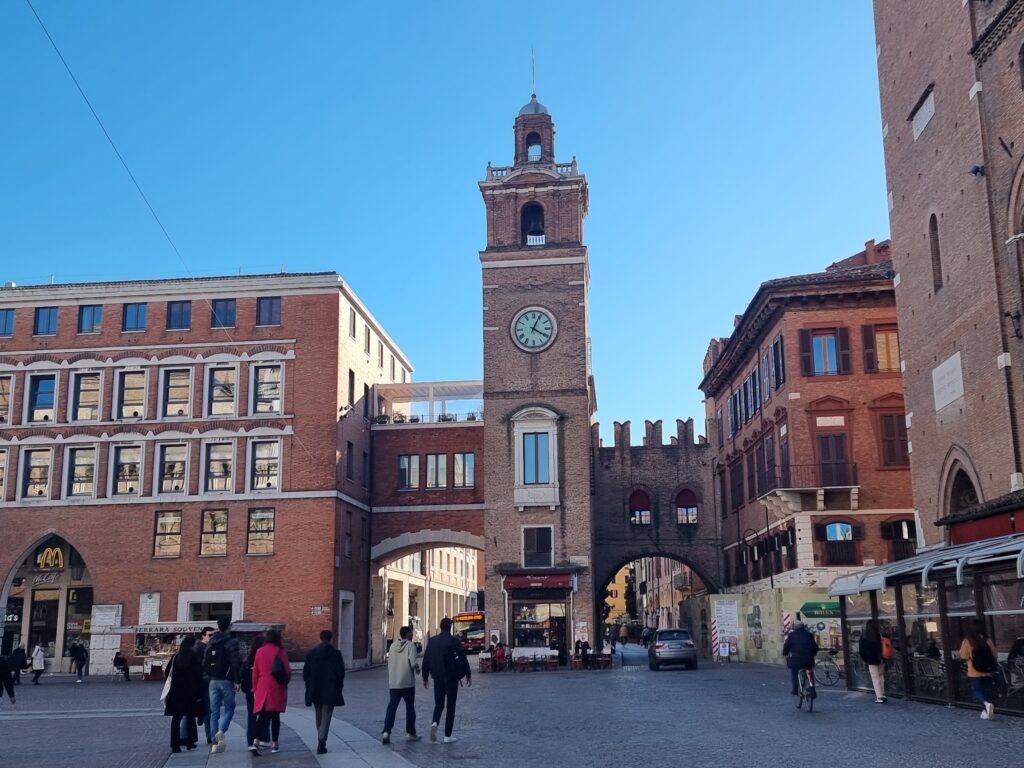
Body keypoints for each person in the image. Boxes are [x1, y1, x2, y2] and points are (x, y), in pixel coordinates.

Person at [421, 617, 471, 744]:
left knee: (438, 704)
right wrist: (468, 674)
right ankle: (447, 735)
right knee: (450, 706)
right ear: (450, 627)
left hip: (437, 677)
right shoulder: (453, 640)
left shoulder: (432, 641)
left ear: (440, 626)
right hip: (451, 677)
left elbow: (426, 660)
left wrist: (425, 677)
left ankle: (434, 722)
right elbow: (463, 658)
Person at [304, 629, 346, 755]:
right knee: (326, 715)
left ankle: (320, 738)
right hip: (330, 688)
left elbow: (306, 672)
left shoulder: (312, 653)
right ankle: (322, 740)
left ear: (320, 638)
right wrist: (339, 686)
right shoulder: (336, 653)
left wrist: (309, 685)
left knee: (318, 714)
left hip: (315, 689)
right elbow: (341, 673)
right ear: (331, 639)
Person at [250, 629, 291, 755]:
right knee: (275, 717)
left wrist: (255, 688)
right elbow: (287, 670)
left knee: (261, 716)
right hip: (276, 686)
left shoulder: (260, 651)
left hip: (262, 684)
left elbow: (255, 672)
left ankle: (255, 742)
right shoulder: (280, 651)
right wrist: (285, 682)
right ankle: (274, 744)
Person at [205, 617, 242, 754]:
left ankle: (215, 741)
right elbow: (235, 662)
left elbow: (205, 662)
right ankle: (221, 731)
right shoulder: (231, 642)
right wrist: (237, 680)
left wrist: (208, 676)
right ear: (229, 626)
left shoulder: (211, 642)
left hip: (212, 680)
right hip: (227, 679)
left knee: (214, 711)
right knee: (230, 708)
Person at [381, 625, 420, 746]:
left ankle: (386, 732)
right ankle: (410, 733)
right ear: (408, 634)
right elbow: (413, 663)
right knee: (410, 708)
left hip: (394, 682)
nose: (412, 635)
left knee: (391, 708)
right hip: (407, 682)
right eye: (411, 633)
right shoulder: (410, 645)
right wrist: (418, 670)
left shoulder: (392, 646)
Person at [164, 636, 203, 753]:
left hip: (176, 691)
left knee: (176, 719)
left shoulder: (175, 657)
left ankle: (174, 745)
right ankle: (190, 742)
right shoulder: (194, 657)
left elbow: (167, 672)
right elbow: (198, 676)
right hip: (190, 691)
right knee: (190, 717)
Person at [959, 619, 998, 720]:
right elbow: (994, 654)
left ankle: (986, 705)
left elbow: (963, 655)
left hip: (974, 671)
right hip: (988, 670)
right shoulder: (988, 640)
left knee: (977, 690)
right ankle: (986, 711)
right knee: (987, 690)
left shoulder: (968, 641)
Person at [242, 637, 270, 750]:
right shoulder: (264, 659)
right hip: (262, 690)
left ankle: (251, 741)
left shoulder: (248, 660)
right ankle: (264, 738)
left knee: (251, 716)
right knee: (265, 715)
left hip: (250, 691)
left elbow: (243, 675)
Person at [782, 621, 819, 695]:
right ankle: (812, 688)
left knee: (794, 672)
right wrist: (813, 654)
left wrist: (785, 653)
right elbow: (815, 647)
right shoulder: (809, 635)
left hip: (796, 660)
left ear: (795, 627)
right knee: (809, 671)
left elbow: (787, 646)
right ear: (803, 627)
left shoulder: (792, 635)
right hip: (808, 659)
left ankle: (795, 690)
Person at [859, 620, 886, 703]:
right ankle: (883, 694)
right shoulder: (879, 636)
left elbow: (862, 651)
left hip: (871, 661)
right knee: (881, 677)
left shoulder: (864, 638)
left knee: (875, 679)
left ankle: (879, 697)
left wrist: (866, 659)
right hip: (881, 659)